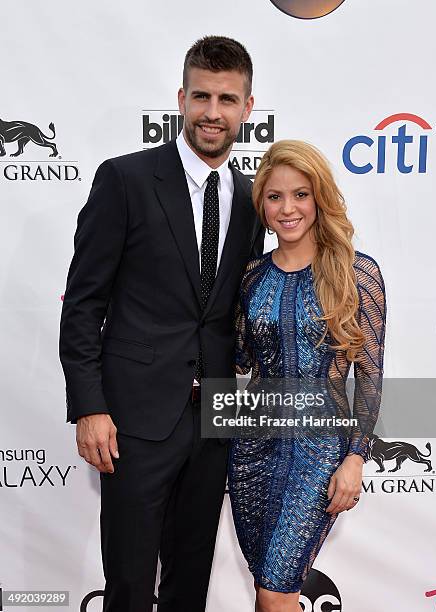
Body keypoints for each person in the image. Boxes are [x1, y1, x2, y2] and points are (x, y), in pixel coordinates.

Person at [59, 36, 265, 612]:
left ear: (248, 107)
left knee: (191, 573)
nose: (212, 113)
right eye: (202, 96)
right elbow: (82, 303)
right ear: (181, 98)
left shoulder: (253, 200)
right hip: (133, 419)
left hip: (215, 418)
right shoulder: (124, 180)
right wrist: (89, 406)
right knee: (127, 579)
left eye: (227, 99)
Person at [228, 140, 386, 612]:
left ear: (319, 197)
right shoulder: (251, 276)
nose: (288, 208)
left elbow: (371, 377)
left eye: (300, 194)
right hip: (252, 451)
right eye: (274, 197)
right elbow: (237, 361)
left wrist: (356, 457)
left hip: (320, 454)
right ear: (262, 206)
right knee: (268, 592)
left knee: (277, 592)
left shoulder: (358, 274)